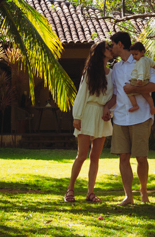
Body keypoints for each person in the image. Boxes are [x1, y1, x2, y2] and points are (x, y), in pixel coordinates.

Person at [109, 30, 155, 205]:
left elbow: (154, 86)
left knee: (141, 157)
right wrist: (107, 109)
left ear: (120, 44)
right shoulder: (115, 67)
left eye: (113, 44)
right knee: (123, 157)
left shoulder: (142, 61)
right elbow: (116, 93)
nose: (111, 48)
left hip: (141, 116)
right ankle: (128, 196)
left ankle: (143, 192)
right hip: (120, 117)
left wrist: (135, 90)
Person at [66, 40, 114, 203]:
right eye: (108, 48)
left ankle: (90, 193)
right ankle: (70, 190)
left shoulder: (112, 73)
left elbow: (113, 96)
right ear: (101, 52)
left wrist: (110, 112)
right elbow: (81, 94)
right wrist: (77, 116)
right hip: (87, 113)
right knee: (81, 155)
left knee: (95, 156)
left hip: (102, 115)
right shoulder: (89, 72)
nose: (110, 50)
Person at [126, 42, 155, 116]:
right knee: (146, 94)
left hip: (138, 80)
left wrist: (140, 79)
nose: (134, 57)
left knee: (128, 91)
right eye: (133, 55)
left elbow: (141, 71)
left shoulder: (140, 61)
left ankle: (135, 105)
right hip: (146, 81)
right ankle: (152, 106)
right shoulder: (147, 59)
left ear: (142, 52)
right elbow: (154, 64)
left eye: (136, 54)